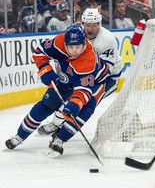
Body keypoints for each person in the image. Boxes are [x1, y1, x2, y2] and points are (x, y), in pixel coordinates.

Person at [5, 24, 110, 157]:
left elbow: (83, 91)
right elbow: (39, 52)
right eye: (70, 47)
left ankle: (60, 140)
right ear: (65, 44)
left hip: (95, 83)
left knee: (82, 112)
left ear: (84, 44)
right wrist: (45, 70)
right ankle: (19, 136)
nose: (74, 51)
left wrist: (75, 104)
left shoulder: (88, 60)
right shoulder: (58, 42)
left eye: (78, 47)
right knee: (44, 107)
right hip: (65, 80)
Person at [37, 7, 122, 137]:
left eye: (94, 25)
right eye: (87, 25)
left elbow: (105, 71)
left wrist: (83, 81)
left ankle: (65, 127)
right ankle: (56, 124)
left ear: (99, 24)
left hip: (107, 77)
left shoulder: (107, 39)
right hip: (86, 73)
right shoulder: (77, 34)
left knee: (85, 102)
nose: (90, 29)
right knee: (71, 96)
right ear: (82, 24)